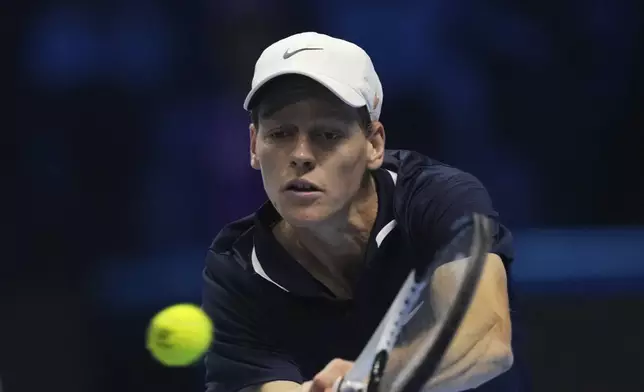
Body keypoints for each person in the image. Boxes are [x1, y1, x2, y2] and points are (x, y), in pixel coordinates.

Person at [202, 32, 520, 392]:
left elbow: (486, 342)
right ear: (254, 146)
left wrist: (369, 380)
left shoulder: (439, 199)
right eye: (280, 133)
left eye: (327, 135)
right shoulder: (239, 266)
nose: (301, 154)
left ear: (374, 145)